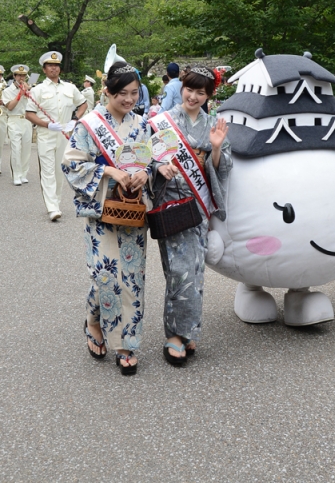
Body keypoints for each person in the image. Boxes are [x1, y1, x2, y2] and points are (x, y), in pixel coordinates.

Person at [62, 60, 151, 376]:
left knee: (131, 279)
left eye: (134, 93)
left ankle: (126, 344)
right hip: (101, 214)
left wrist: (143, 173)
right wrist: (106, 170)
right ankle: (93, 320)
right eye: (122, 94)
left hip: (132, 213)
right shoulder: (88, 125)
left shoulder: (141, 125)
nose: (129, 100)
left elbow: (150, 161)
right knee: (106, 276)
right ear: (107, 92)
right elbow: (71, 165)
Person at [150, 66, 231, 365]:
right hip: (171, 202)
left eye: (201, 92)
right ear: (181, 87)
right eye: (190, 89)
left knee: (195, 270)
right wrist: (159, 167)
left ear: (209, 95)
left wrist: (216, 148)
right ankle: (175, 334)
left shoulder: (213, 124)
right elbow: (151, 156)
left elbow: (223, 168)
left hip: (199, 205)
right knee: (178, 269)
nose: (194, 96)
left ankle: (188, 329)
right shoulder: (162, 122)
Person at [25, 51, 87, 221]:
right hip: (46, 134)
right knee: (47, 171)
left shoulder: (70, 87)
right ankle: (52, 207)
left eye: (57, 65)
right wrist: (46, 124)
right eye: (50, 66)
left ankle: (56, 202)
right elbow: (29, 113)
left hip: (64, 134)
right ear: (44, 69)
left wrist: (75, 120)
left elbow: (83, 104)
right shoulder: (38, 89)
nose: (54, 68)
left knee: (60, 171)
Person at [2, 64, 33, 186]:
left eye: (24, 75)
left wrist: (28, 92)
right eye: (19, 75)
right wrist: (20, 94)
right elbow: (10, 106)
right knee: (16, 149)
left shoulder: (29, 89)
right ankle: (16, 175)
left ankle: (24, 174)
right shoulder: (7, 91)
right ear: (14, 76)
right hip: (14, 120)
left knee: (26, 149)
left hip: (26, 120)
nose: (22, 77)